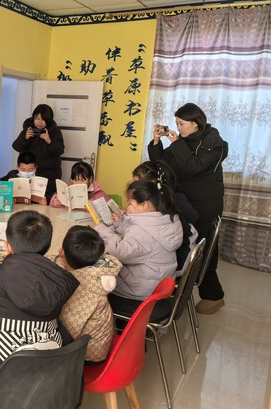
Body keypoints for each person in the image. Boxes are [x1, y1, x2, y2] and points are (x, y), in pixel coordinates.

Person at [0, 210, 79, 408]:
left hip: (0, 377)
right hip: (48, 368)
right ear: (47, 246)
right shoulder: (58, 280)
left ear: (7, 246)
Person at [148, 103, 228, 314]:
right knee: (184, 247)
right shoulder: (183, 142)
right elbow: (162, 163)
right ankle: (179, 292)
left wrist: (176, 143)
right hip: (185, 203)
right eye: (176, 123)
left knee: (202, 249)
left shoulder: (214, 142)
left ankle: (212, 296)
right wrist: (156, 142)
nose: (178, 127)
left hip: (205, 206)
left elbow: (194, 167)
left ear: (195, 124)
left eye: (181, 123)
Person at [96, 180, 182, 309]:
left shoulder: (142, 233)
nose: (128, 208)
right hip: (157, 283)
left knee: (94, 267)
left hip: (139, 291)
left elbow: (119, 251)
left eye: (130, 204)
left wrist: (103, 230)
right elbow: (138, 234)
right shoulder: (165, 220)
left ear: (145, 205)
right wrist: (119, 224)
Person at [48, 225, 122, 363]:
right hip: (91, 338)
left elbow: (65, 334)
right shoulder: (96, 266)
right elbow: (57, 260)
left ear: (61, 251)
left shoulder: (83, 293)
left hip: (88, 355)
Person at [132, 160, 198, 273]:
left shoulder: (166, 202)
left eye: (138, 184)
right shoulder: (169, 195)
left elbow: (150, 227)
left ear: (153, 182)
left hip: (178, 259)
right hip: (180, 251)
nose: (135, 189)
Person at [12, 104, 65, 197]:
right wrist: (25, 138)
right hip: (29, 173)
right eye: (37, 118)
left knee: (46, 201)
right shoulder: (27, 130)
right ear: (33, 118)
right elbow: (16, 147)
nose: (40, 122)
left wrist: (49, 141)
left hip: (49, 175)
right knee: (27, 198)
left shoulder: (55, 131)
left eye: (44, 119)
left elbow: (60, 150)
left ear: (49, 120)